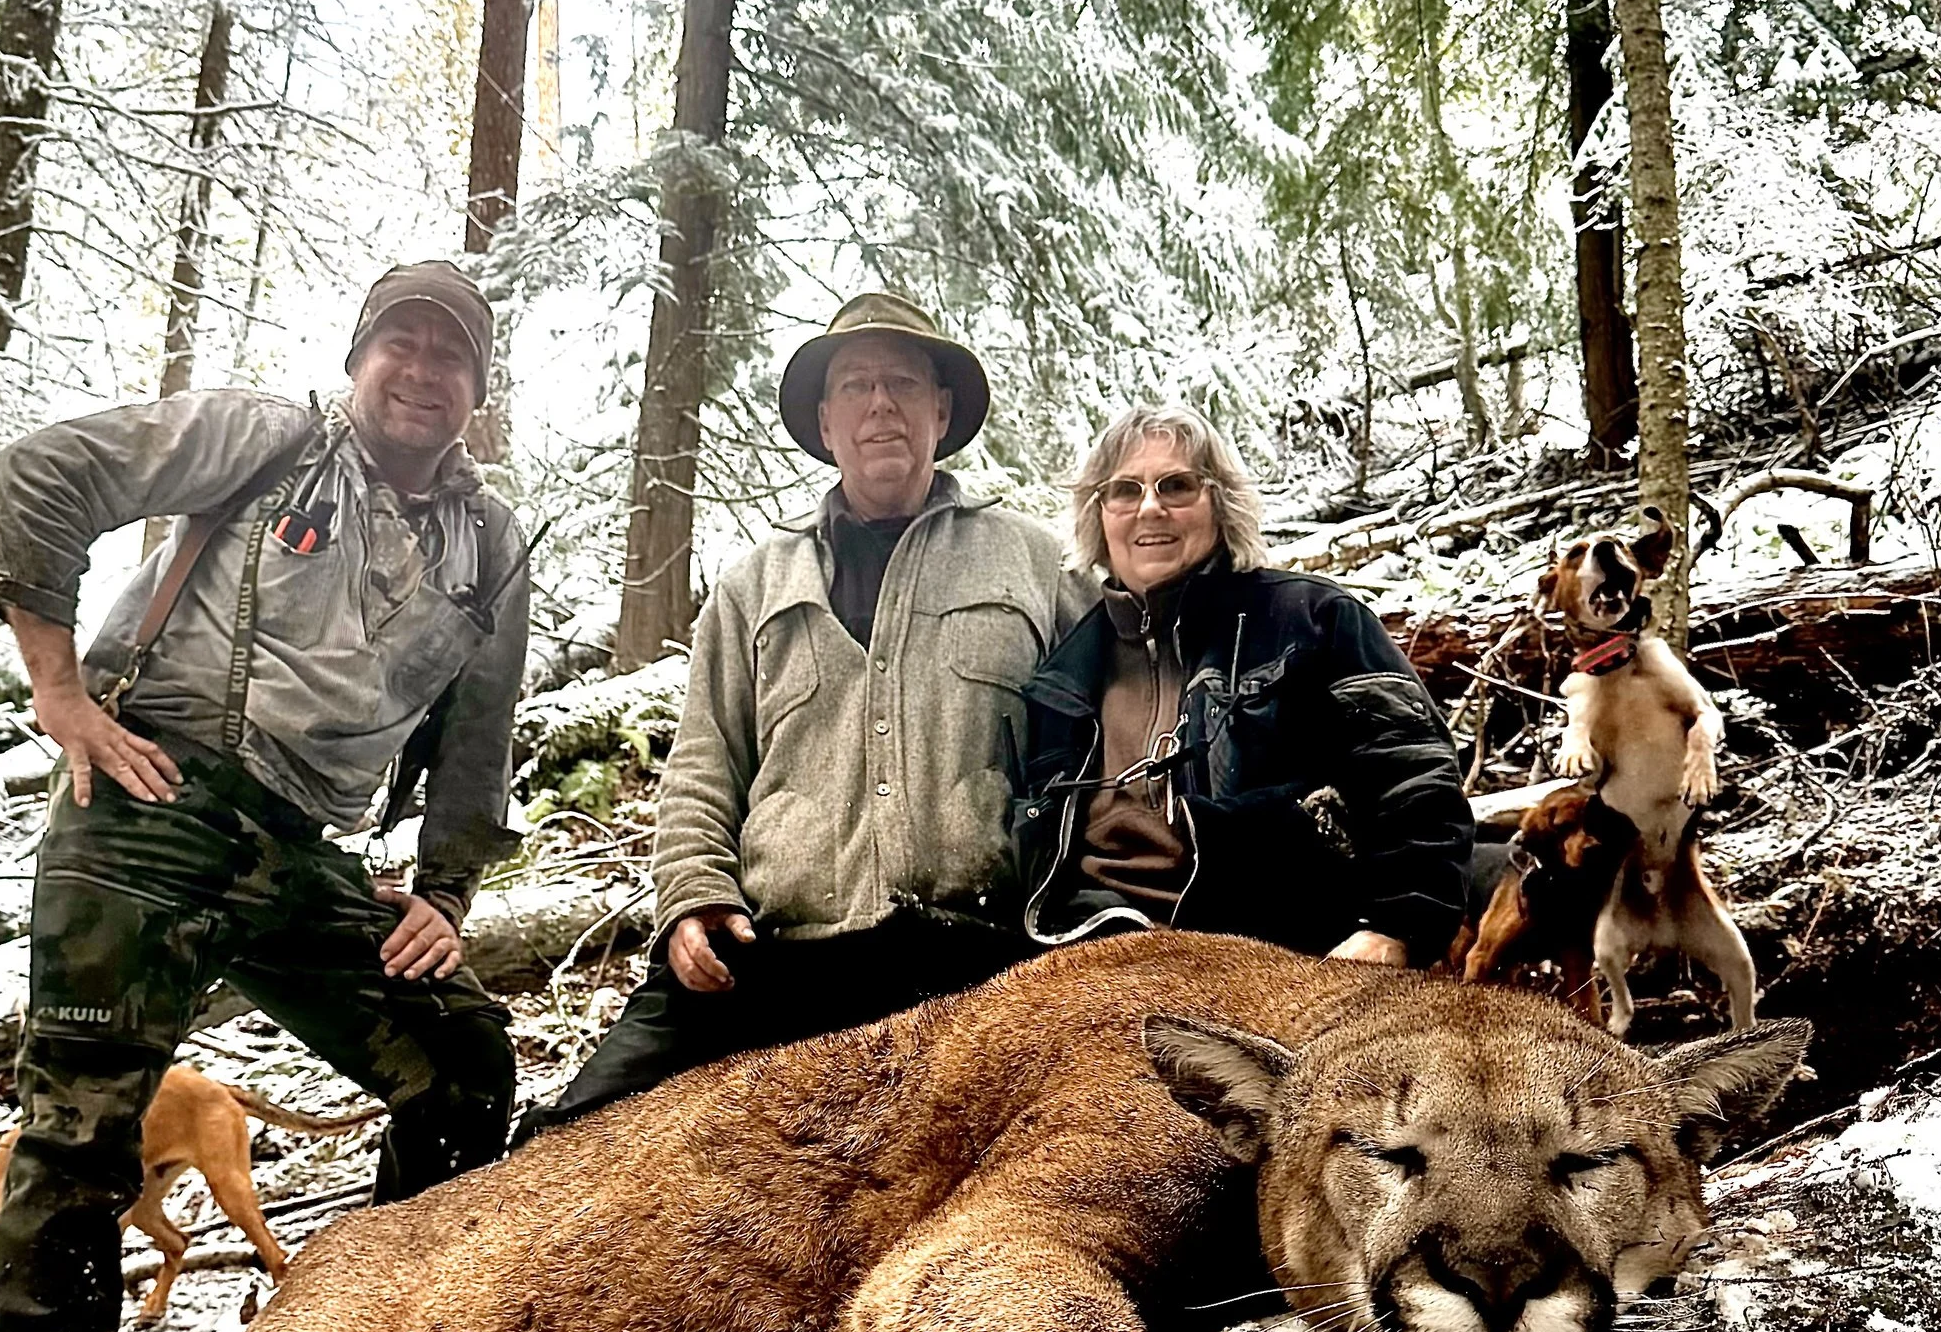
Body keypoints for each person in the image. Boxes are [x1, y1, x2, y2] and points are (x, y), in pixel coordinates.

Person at [0, 258, 529, 1332]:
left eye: (451, 356)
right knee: (81, 1132)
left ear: (478, 388)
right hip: (150, 809)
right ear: (358, 357)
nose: (422, 373)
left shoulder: (487, 544)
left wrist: (443, 892)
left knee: (463, 1065)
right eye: (402, 345)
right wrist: (61, 695)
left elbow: (476, 736)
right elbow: (36, 475)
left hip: (299, 855)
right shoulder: (264, 440)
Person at [534, 290, 1084, 1123]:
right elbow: (702, 763)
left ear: (941, 408)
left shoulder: (1035, 563)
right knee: (566, 1133)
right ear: (825, 422)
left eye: (901, 382)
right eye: (855, 385)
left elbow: (1106, 740)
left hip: (973, 952)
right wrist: (691, 892)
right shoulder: (754, 582)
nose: (879, 405)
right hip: (777, 955)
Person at [1012, 405, 1470, 964]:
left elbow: (1417, 777)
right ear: (1099, 514)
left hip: (1282, 953)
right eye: (1124, 491)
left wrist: (1398, 926)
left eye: (1176, 486)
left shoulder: (1315, 620)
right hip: (1095, 952)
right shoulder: (1063, 676)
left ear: (1220, 502)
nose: (1150, 507)